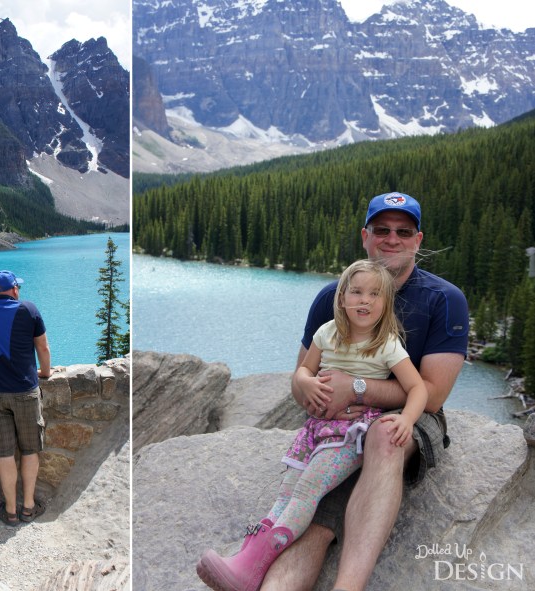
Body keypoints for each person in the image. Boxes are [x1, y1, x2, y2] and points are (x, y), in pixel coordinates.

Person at [261, 192, 469, 591]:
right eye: (382, 230)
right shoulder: (334, 297)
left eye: (403, 232)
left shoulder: (444, 300)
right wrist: (310, 389)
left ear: (418, 240)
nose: (392, 239)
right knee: (317, 510)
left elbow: (432, 394)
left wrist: (355, 389)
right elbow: (300, 378)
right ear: (365, 236)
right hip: (336, 423)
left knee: (383, 438)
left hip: (411, 413)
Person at [196, 259, 428, 591]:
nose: (365, 300)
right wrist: (305, 383)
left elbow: (417, 388)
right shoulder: (327, 332)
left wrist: (407, 419)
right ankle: (246, 564)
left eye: (375, 294)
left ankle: (255, 561)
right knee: (286, 492)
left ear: (386, 302)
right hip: (316, 431)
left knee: (308, 490)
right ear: (342, 297)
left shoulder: (386, 344)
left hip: (350, 434)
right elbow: (304, 371)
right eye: (357, 292)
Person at [0, 270, 52, 526]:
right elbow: (43, 348)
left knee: (5, 454)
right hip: (25, 393)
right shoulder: (29, 310)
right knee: (29, 450)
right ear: (15, 289)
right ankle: (28, 507)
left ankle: (10, 512)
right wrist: (46, 373)